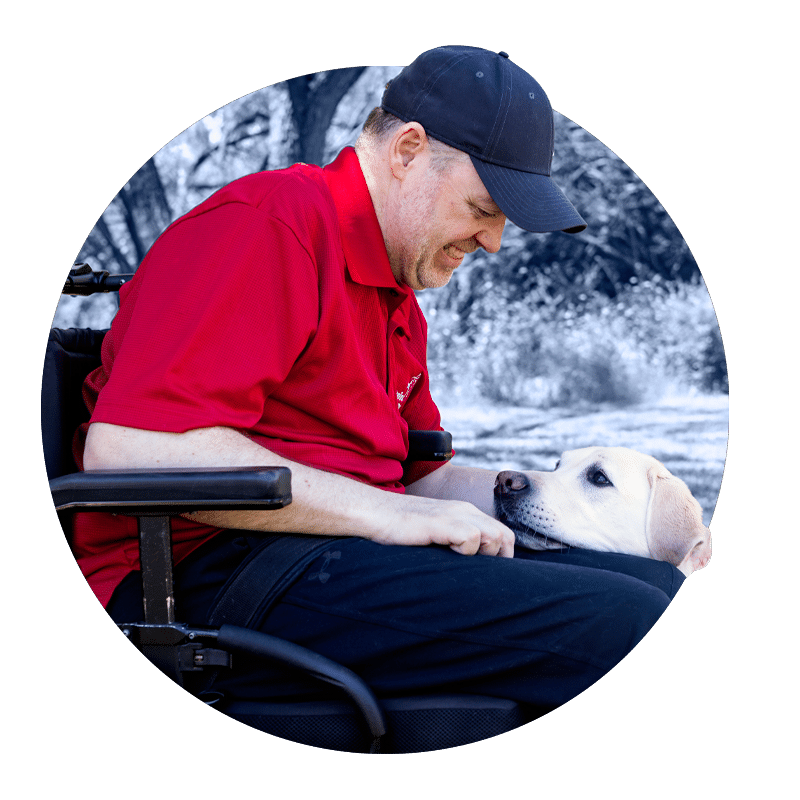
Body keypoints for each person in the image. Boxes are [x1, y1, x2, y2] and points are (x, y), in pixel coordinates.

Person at [74, 46, 682, 715]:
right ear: (408, 151)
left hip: (327, 554)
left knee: (662, 588)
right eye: (484, 207)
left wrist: (540, 496)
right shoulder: (269, 222)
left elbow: (418, 476)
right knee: (626, 622)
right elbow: (129, 450)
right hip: (202, 573)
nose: (494, 242)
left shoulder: (395, 293)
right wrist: (391, 513)